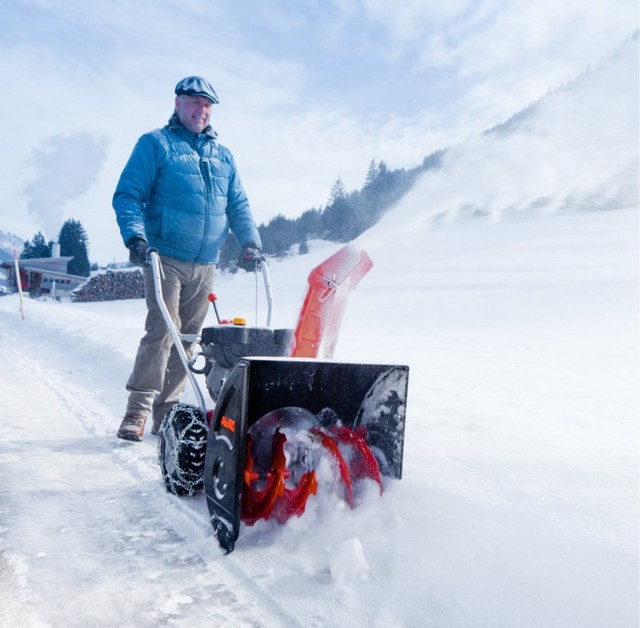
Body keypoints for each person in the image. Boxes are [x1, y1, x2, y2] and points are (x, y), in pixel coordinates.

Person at [113, 75, 263, 441]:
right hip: (163, 255)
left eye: (207, 105)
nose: (201, 109)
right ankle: (137, 411)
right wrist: (136, 237)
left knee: (189, 337)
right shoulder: (156, 144)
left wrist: (250, 243)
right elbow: (128, 194)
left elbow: (238, 204)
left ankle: (166, 414)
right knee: (163, 330)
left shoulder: (223, 156)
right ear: (178, 103)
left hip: (206, 263)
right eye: (195, 102)